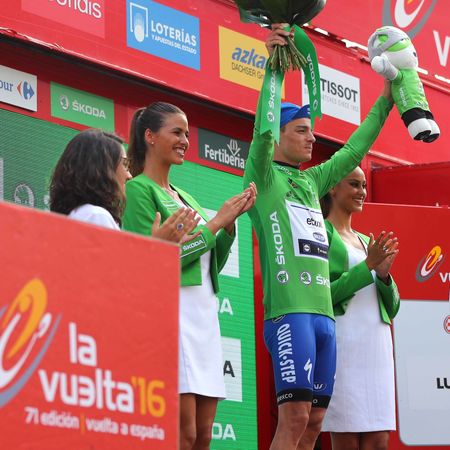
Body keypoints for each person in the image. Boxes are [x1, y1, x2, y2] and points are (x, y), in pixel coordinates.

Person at [243, 24, 394, 450]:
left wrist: (386, 99)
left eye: (311, 130)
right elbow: (262, 131)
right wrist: (274, 68)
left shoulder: (312, 182)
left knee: (313, 423)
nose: (311, 138)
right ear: (279, 137)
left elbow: (354, 150)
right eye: (301, 131)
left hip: (325, 319)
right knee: (293, 419)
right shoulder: (264, 176)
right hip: (290, 314)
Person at [121, 102, 257, 450]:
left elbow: (208, 263)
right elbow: (152, 260)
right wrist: (215, 222)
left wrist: (228, 228)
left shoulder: (185, 197)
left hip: (204, 320)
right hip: (173, 317)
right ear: (150, 137)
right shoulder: (138, 189)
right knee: (183, 434)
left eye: (187, 133)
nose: (185, 140)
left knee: (204, 436)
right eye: (176, 132)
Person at [320, 166, 400, 450]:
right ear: (333, 187)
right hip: (344, 344)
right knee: (347, 440)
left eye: (364, 186)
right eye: (354, 184)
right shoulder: (321, 233)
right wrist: (367, 266)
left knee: (380, 441)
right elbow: (322, 295)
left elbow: (393, 308)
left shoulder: (368, 241)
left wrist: (384, 276)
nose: (362, 192)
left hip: (376, 348)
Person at [49, 128, 198, 241]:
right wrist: (159, 245)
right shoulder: (96, 215)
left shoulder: (78, 215)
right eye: (125, 164)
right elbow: (116, 271)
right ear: (102, 168)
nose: (129, 175)